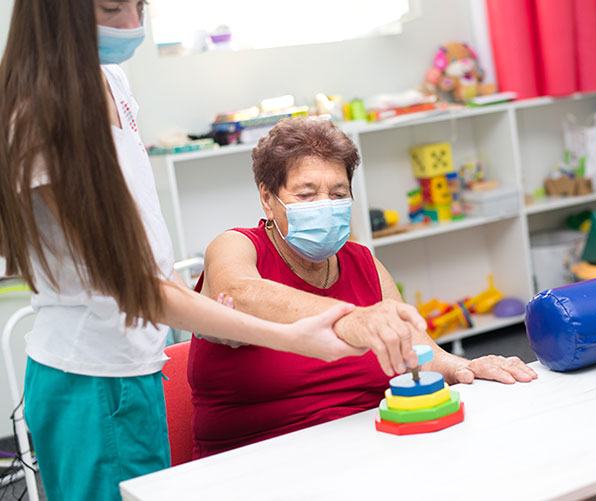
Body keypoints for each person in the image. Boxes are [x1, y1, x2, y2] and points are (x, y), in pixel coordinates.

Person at [0, 2, 420, 499]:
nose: (133, 26)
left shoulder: (112, 83)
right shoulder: (41, 119)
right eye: (113, 8)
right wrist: (294, 335)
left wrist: (223, 322)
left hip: (138, 366)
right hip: (91, 378)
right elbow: (141, 289)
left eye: (139, 6)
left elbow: (153, 272)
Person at [189, 117, 538, 458]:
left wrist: (465, 367)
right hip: (256, 460)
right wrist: (352, 319)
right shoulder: (236, 245)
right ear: (267, 198)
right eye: (306, 194)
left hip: (368, 450)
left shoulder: (363, 262)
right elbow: (238, 291)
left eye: (338, 193)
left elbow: (417, 352)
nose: (325, 206)